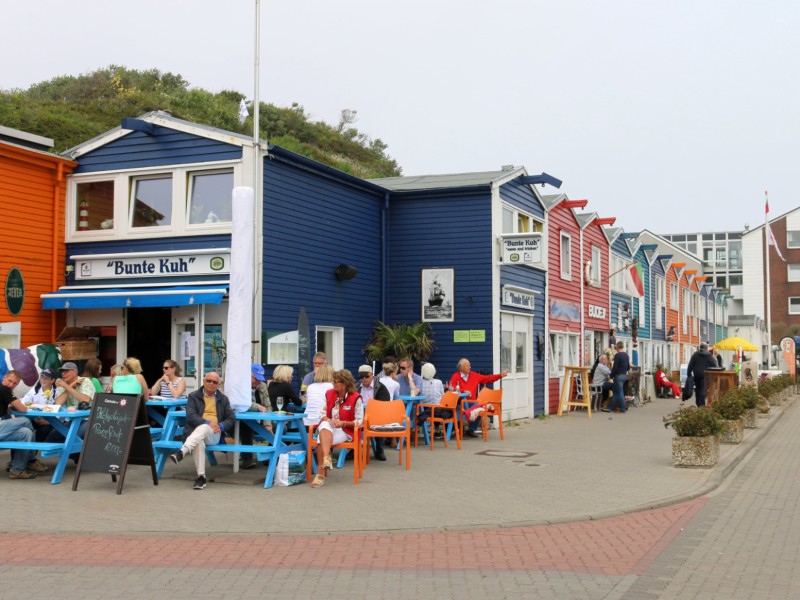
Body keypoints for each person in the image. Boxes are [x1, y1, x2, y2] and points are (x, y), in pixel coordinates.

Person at [169, 371, 235, 490]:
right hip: (195, 433)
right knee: (199, 439)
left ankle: (182, 452)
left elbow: (231, 418)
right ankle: (201, 477)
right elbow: (191, 415)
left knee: (204, 429)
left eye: (214, 382)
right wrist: (207, 422)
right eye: (208, 381)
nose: (211, 383)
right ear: (203, 381)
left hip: (214, 434)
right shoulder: (193, 396)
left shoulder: (223, 399)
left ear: (218, 385)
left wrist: (221, 426)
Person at [310, 369, 363, 488]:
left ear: (344, 384)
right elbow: (322, 414)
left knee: (320, 438)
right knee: (324, 424)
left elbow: (359, 421)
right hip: (329, 427)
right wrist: (329, 420)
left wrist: (343, 423)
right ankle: (326, 458)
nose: (333, 383)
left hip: (346, 430)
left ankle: (320, 473)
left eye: (335, 381)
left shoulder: (355, 397)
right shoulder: (329, 393)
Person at [0, 370, 46, 478]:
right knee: (26, 421)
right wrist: (15, 405)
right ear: (4, 377)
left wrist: (8, 406)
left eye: (15, 383)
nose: (11, 384)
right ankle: (32, 459)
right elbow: (23, 408)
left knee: (26, 433)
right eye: (9, 381)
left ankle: (17, 469)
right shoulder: (4, 389)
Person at [449, 358, 508, 437]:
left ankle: (471, 430)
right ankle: (459, 430)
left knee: (478, 407)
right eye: (467, 366)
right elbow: (452, 387)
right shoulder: (455, 376)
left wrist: (500, 375)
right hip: (459, 402)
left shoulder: (474, 375)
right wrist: (464, 391)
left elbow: (487, 378)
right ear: (461, 368)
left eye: (469, 365)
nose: (470, 367)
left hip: (472, 402)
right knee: (456, 409)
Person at [357, 364, 390, 461]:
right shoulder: (356, 387)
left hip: (375, 414)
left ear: (372, 375)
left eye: (366, 376)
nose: (364, 379)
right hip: (360, 414)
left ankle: (379, 449)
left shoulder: (380, 387)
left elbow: (384, 404)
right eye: (361, 377)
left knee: (378, 421)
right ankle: (353, 448)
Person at [239, 364, 269, 470]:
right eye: (256, 378)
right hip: (242, 420)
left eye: (260, 379)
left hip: (260, 420)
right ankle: (247, 459)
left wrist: (268, 423)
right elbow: (242, 403)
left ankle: (269, 457)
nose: (258, 382)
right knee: (246, 427)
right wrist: (258, 406)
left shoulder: (262, 386)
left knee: (281, 428)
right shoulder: (240, 385)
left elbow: (267, 405)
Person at [21, 368, 59, 443]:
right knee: (23, 427)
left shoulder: (57, 392)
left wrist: (48, 421)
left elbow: (59, 409)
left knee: (43, 431)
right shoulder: (35, 389)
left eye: (46, 378)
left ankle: (32, 452)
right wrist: (38, 417)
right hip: (35, 419)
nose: (43, 380)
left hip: (50, 421)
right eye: (42, 377)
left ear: (52, 380)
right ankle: (21, 452)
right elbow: (23, 403)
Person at [417, 362, 448, 438]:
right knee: (437, 406)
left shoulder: (420, 382)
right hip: (437, 409)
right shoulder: (439, 382)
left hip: (424, 409)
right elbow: (442, 395)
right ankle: (437, 430)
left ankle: (417, 429)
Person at [687, 342, 719, 407]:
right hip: (706, 376)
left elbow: (690, 365)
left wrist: (689, 374)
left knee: (698, 389)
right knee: (703, 390)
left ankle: (698, 403)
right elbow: (715, 365)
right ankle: (701, 404)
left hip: (697, 375)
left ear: (700, 347)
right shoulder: (709, 356)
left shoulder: (695, 355)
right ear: (706, 348)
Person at [607, 341, 630, 413]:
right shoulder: (626, 355)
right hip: (624, 375)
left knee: (620, 393)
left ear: (617, 347)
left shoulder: (617, 355)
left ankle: (623, 408)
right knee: (616, 392)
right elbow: (628, 367)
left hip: (618, 376)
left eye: (616, 346)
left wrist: (611, 375)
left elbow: (615, 367)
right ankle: (610, 407)